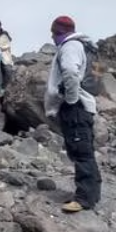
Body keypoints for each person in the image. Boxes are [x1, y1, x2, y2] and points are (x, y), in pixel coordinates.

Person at [43, 15, 103, 213]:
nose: (52, 37)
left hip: (75, 107)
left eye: (54, 33)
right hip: (84, 107)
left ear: (59, 32)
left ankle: (84, 199)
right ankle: (92, 193)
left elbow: (69, 71)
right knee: (85, 150)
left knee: (80, 152)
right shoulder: (85, 46)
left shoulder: (70, 47)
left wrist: (70, 99)